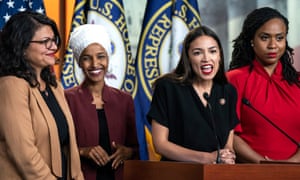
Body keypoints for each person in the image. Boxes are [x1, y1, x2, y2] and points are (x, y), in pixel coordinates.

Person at [0, 11, 83, 180]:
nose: (53, 47)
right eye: (45, 42)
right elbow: (26, 156)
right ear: (21, 46)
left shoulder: (54, 85)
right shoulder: (11, 86)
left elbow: (69, 147)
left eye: (54, 40)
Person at [147, 26, 239, 164]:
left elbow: (228, 145)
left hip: (215, 174)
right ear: (188, 58)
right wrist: (207, 158)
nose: (206, 58)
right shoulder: (167, 87)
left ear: (219, 55)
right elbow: (160, 145)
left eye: (212, 51)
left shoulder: (228, 91)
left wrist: (227, 158)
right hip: (177, 173)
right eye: (197, 53)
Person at [65, 24, 139, 180]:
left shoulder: (125, 100)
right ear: (79, 62)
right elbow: (55, 148)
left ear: (108, 58)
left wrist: (128, 152)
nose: (94, 64)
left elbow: (138, 148)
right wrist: (82, 151)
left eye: (100, 56)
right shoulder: (67, 99)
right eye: (86, 58)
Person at [227, 7, 300, 163]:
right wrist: (263, 164)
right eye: (265, 37)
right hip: (250, 171)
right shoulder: (234, 80)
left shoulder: (297, 82)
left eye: (279, 38)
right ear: (252, 40)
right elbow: (230, 135)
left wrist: (292, 163)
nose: (273, 45)